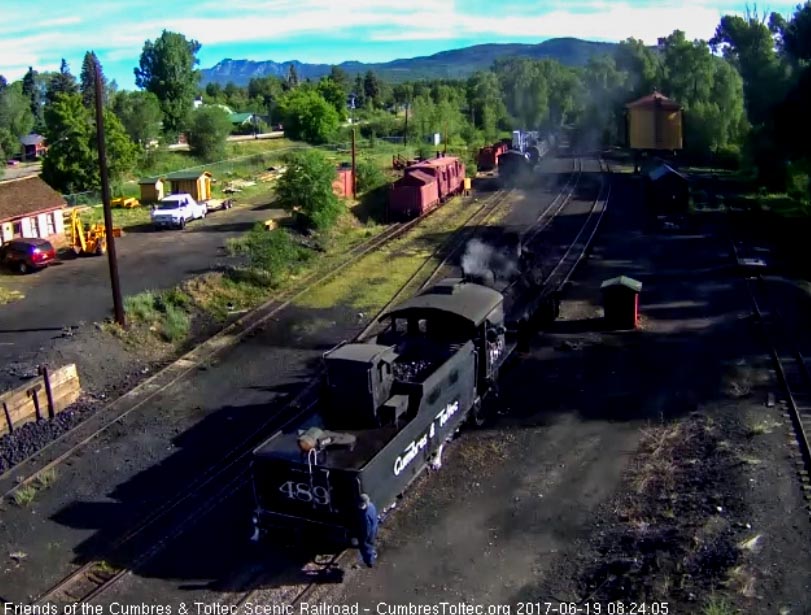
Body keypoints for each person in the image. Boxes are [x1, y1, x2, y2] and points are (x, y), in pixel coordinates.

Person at [355, 493, 378, 568]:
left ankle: (369, 562)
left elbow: (366, 531)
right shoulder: (371, 505)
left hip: (369, 534)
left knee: (365, 548)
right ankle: (372, 554)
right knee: (371, 545)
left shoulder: (365, 516)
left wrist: (362, 540)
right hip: (374, 528)